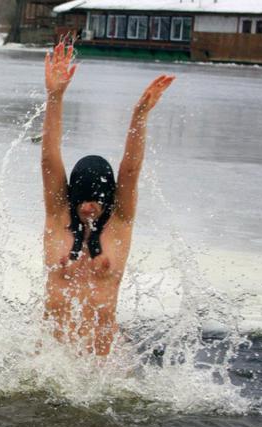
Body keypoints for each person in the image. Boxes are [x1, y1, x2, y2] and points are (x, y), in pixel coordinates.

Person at [41, 40, 174, 356]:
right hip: (50, 362)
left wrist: (139, 115)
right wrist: (55, 97)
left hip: (103, 366)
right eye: (82, 197)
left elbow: (129, 171)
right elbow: (49, 160)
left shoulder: (119, 225)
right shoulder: (58, 219)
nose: (88, 205)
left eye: (96, 197)